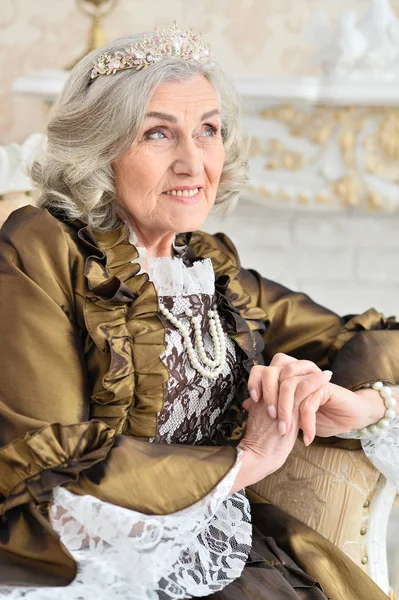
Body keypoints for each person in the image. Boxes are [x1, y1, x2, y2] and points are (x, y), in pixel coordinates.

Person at [0, 22, 398, 600]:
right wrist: (248, 460)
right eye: (159, 134)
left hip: (223, 552)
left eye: (208, 130)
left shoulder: (212, 271)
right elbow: (49, 468)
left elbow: (369, 339)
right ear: (100, 150)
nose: (194, 163)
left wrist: (357, 404)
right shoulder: (41, 251)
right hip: (87, 566)